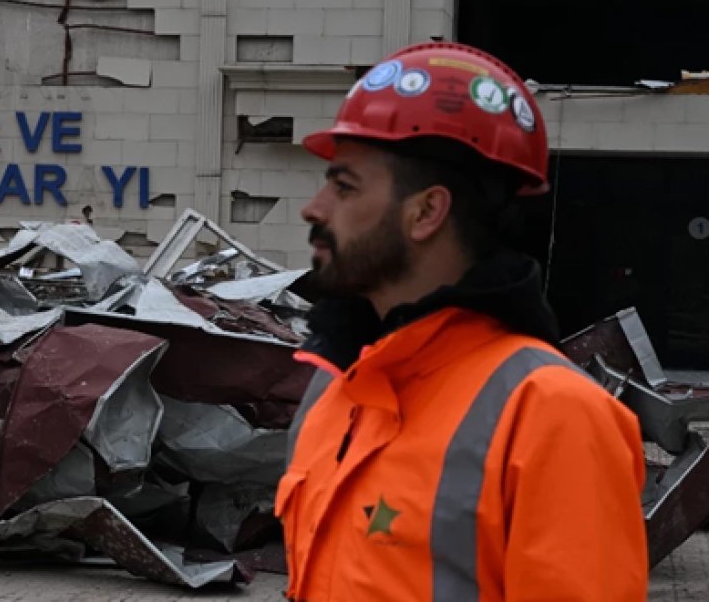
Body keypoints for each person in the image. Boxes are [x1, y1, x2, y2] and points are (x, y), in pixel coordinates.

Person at [275, 42, 648, 600]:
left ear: (426, 212)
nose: (315, 208)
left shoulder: (553, 415)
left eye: (344, 186)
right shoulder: (338, 392)